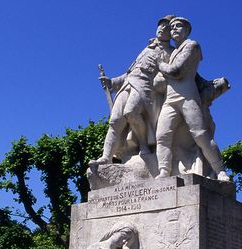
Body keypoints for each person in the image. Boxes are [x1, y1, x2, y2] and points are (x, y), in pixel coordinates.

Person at [92, 16, 174, 165]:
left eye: (167, 27)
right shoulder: (146, 48)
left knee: (131, 112)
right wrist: (112, 82)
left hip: (145, 86)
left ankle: (144, 145)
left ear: (172, 33)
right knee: (115, 121)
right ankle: (106, 157)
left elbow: (174, 73)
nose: (162, 29)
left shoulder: (171, 52)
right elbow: (130, 72)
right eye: (161, 26)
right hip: (128, 84)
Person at [155, 17, 230, 181]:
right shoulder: (174, 52)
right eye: (172, 27)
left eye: (178, 26)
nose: (174, 29)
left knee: (201, 135)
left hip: (188, 97)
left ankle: (220, 171)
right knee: (162, 136)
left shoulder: (192, 45)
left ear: (187, 30)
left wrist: (160, 64)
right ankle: (163, 171)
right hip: (170, 100)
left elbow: (176, 71)